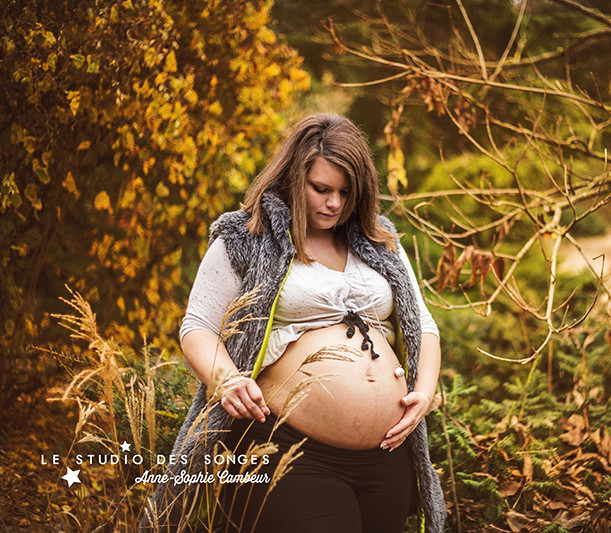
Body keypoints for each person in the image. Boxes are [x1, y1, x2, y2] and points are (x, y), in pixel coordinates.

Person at [143, 113, 446, 533]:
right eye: (321, 189)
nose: (334, 203)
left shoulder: (381, 240)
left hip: (386, 454)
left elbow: (424, 326)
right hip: (290, 450)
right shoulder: (246, 237)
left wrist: (424, 394)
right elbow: (197, 326)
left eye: (345, 192)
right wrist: (226, 379)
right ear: (292, 177)